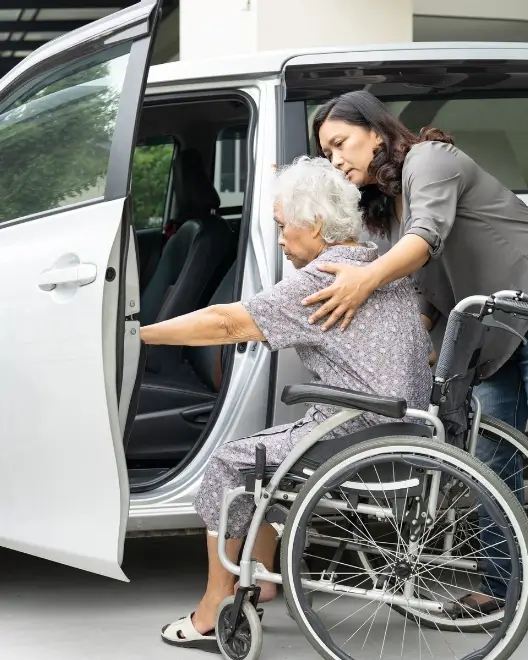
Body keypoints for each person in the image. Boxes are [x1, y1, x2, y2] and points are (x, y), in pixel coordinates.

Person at [305, 90, 528, 658]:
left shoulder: (428, 160)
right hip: (491, 323)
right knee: (487, 457)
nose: (336, 160)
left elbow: (424, 240)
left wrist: (363, 281)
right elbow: (427, 288)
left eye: (340, 143)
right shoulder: (386, 210)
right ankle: (500, 590)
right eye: (326, 154)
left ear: (377, 132)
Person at [144, 156, 434, 650]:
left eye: (282, 226)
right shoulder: (376, 264)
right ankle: (266, 576)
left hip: (353, 434)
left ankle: (213, 608)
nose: (279, 239)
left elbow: (227, 324)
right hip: (404, 429)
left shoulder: (319, 279)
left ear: (316, 224)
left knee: (229, 463)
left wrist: (140, 334)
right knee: (265, 455)